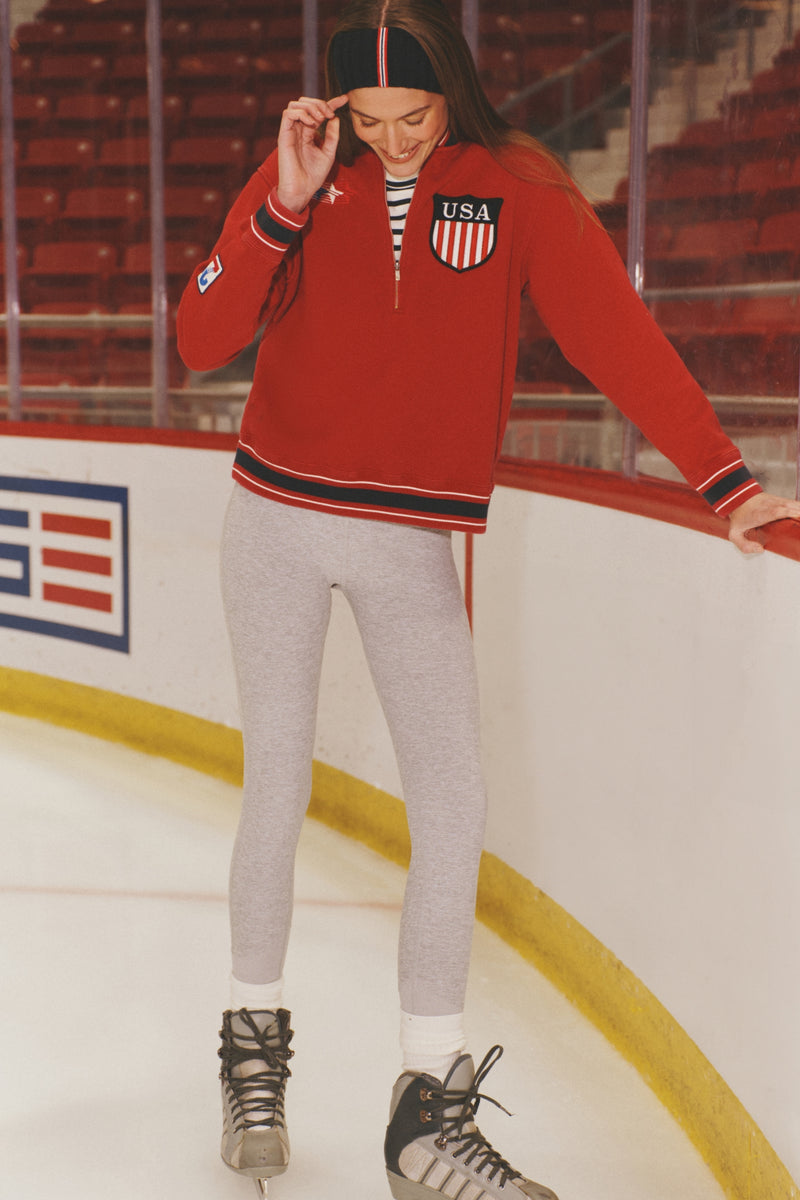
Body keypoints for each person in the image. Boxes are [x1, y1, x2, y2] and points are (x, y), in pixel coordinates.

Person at [177, 2, 800, 1196]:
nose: (393, 139)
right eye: (368, 120)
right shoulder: (304, 176)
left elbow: (611, 336)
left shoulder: (512, 184)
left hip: (409, 543)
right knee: (278, 781)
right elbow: (200, 333)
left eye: (412, 115)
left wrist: (721, 478)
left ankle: (424, 1107)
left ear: (449, 94)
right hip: (274, 520)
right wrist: (284, 198)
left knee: (453, 807)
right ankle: (252, 1050)